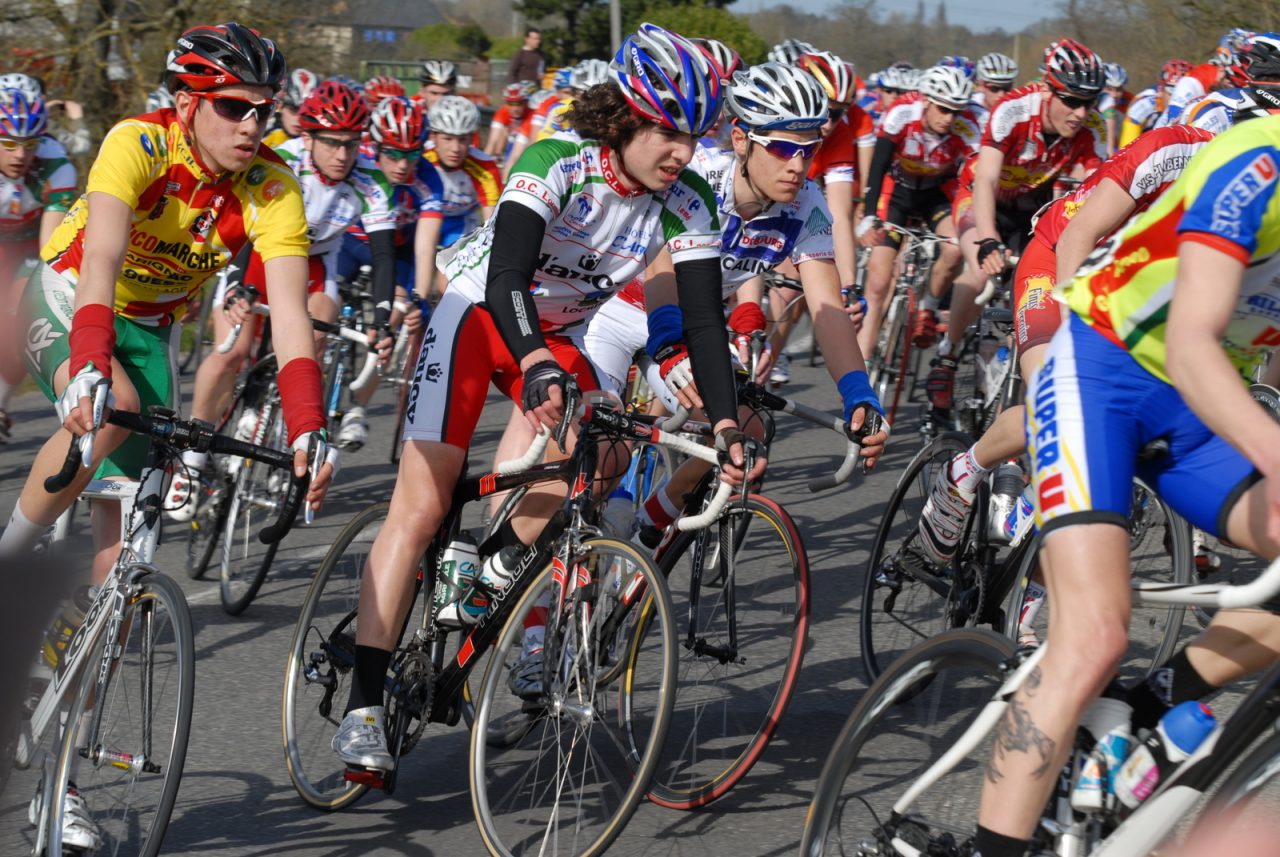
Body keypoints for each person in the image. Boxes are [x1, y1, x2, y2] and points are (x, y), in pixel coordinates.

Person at [330, 22, 759, 775]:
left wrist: (725, 423)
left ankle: (490, 563)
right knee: (423, 503)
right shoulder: (556, 159)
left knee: (606, 454)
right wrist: (532, 361)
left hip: (557, 333)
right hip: (480, 318)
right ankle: (364, 705)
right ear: (625, 116)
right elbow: (506, 278)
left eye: (693, 136)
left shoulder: (688, 202)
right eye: (666, 131)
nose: (682, 152)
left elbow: (700, 319)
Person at [0, 23, 335, 848]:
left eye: (265, 109)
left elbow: (292, 319)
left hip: (153, 332)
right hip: (74, 293)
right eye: (233, 107)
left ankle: (60, 784)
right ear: (188, 103)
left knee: (123, 577)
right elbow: (105, 257)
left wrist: (308, 427)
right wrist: (85, 362)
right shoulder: (137, 143)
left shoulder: (272, 187)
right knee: (106, 403)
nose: (253, 124)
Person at [969, 111, 1280, 857]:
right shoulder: (1259, 157)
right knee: (1095, 634)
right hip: (1104, 370)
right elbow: (1190, 339)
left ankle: (1144, 712)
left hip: (1193, 411)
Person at [583, 61, 889, 540]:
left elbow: (828, 309)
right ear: (743, 139)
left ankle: (652, 521)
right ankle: (544, 596)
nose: (797, 164)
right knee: (603, 461)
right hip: (619, 313)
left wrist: (859, 393)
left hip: (695, 328)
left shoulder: (806, 205)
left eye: (809, 150)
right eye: (784, 147)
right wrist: (669, 344)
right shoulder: (700, 174)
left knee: (747, 433)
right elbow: (660, 264)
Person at [171, 78, 393, 515]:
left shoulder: (371, 184)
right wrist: (237, 283)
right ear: (307, 136)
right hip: (254, 256)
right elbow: (238, 221)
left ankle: (280, 424)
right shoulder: (279, 160)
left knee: (316, 335)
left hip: (314, 267)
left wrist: (382, 316)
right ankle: (193, 456)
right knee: (230, 351)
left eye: (350, 144)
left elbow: (384, 255)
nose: (341, 155)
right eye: (331, 143)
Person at [925, 38, 1106, 425]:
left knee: (1034, 294)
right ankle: (947, 354)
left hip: (1030, 207)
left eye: (1090, 102)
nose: (1080, 112)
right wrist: (988, 238)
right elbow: (987, 179)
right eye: (1071, 100)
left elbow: (1098, 193)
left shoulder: (1092, 127)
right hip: (982, 197)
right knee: (979, 268)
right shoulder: (1012, 109)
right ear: (1047, 89)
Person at [856, 65, 979, 360]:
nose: (949, 118)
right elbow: (878, 165)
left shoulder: (968, 126)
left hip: (936, 192)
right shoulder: (902, 113)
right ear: (926, 100)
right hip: (897, 191)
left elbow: (977, 177)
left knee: (954, 249)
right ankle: (861, 363)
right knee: (878, 282)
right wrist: (869, 214)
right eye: (943, 109)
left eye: (956, 111)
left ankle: (928, 306)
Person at [0, 87, 76, 442]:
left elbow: (50, 245)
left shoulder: (55, 165)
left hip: (30, 243)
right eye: (9, 143)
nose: (20, 155)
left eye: (30, 145)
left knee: (19, 320)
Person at [262, 67, 317, 149]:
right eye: (294, 110)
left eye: (307, 114)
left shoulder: (316, 144)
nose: (299, 119)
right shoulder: (263, 133)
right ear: (280, 106)